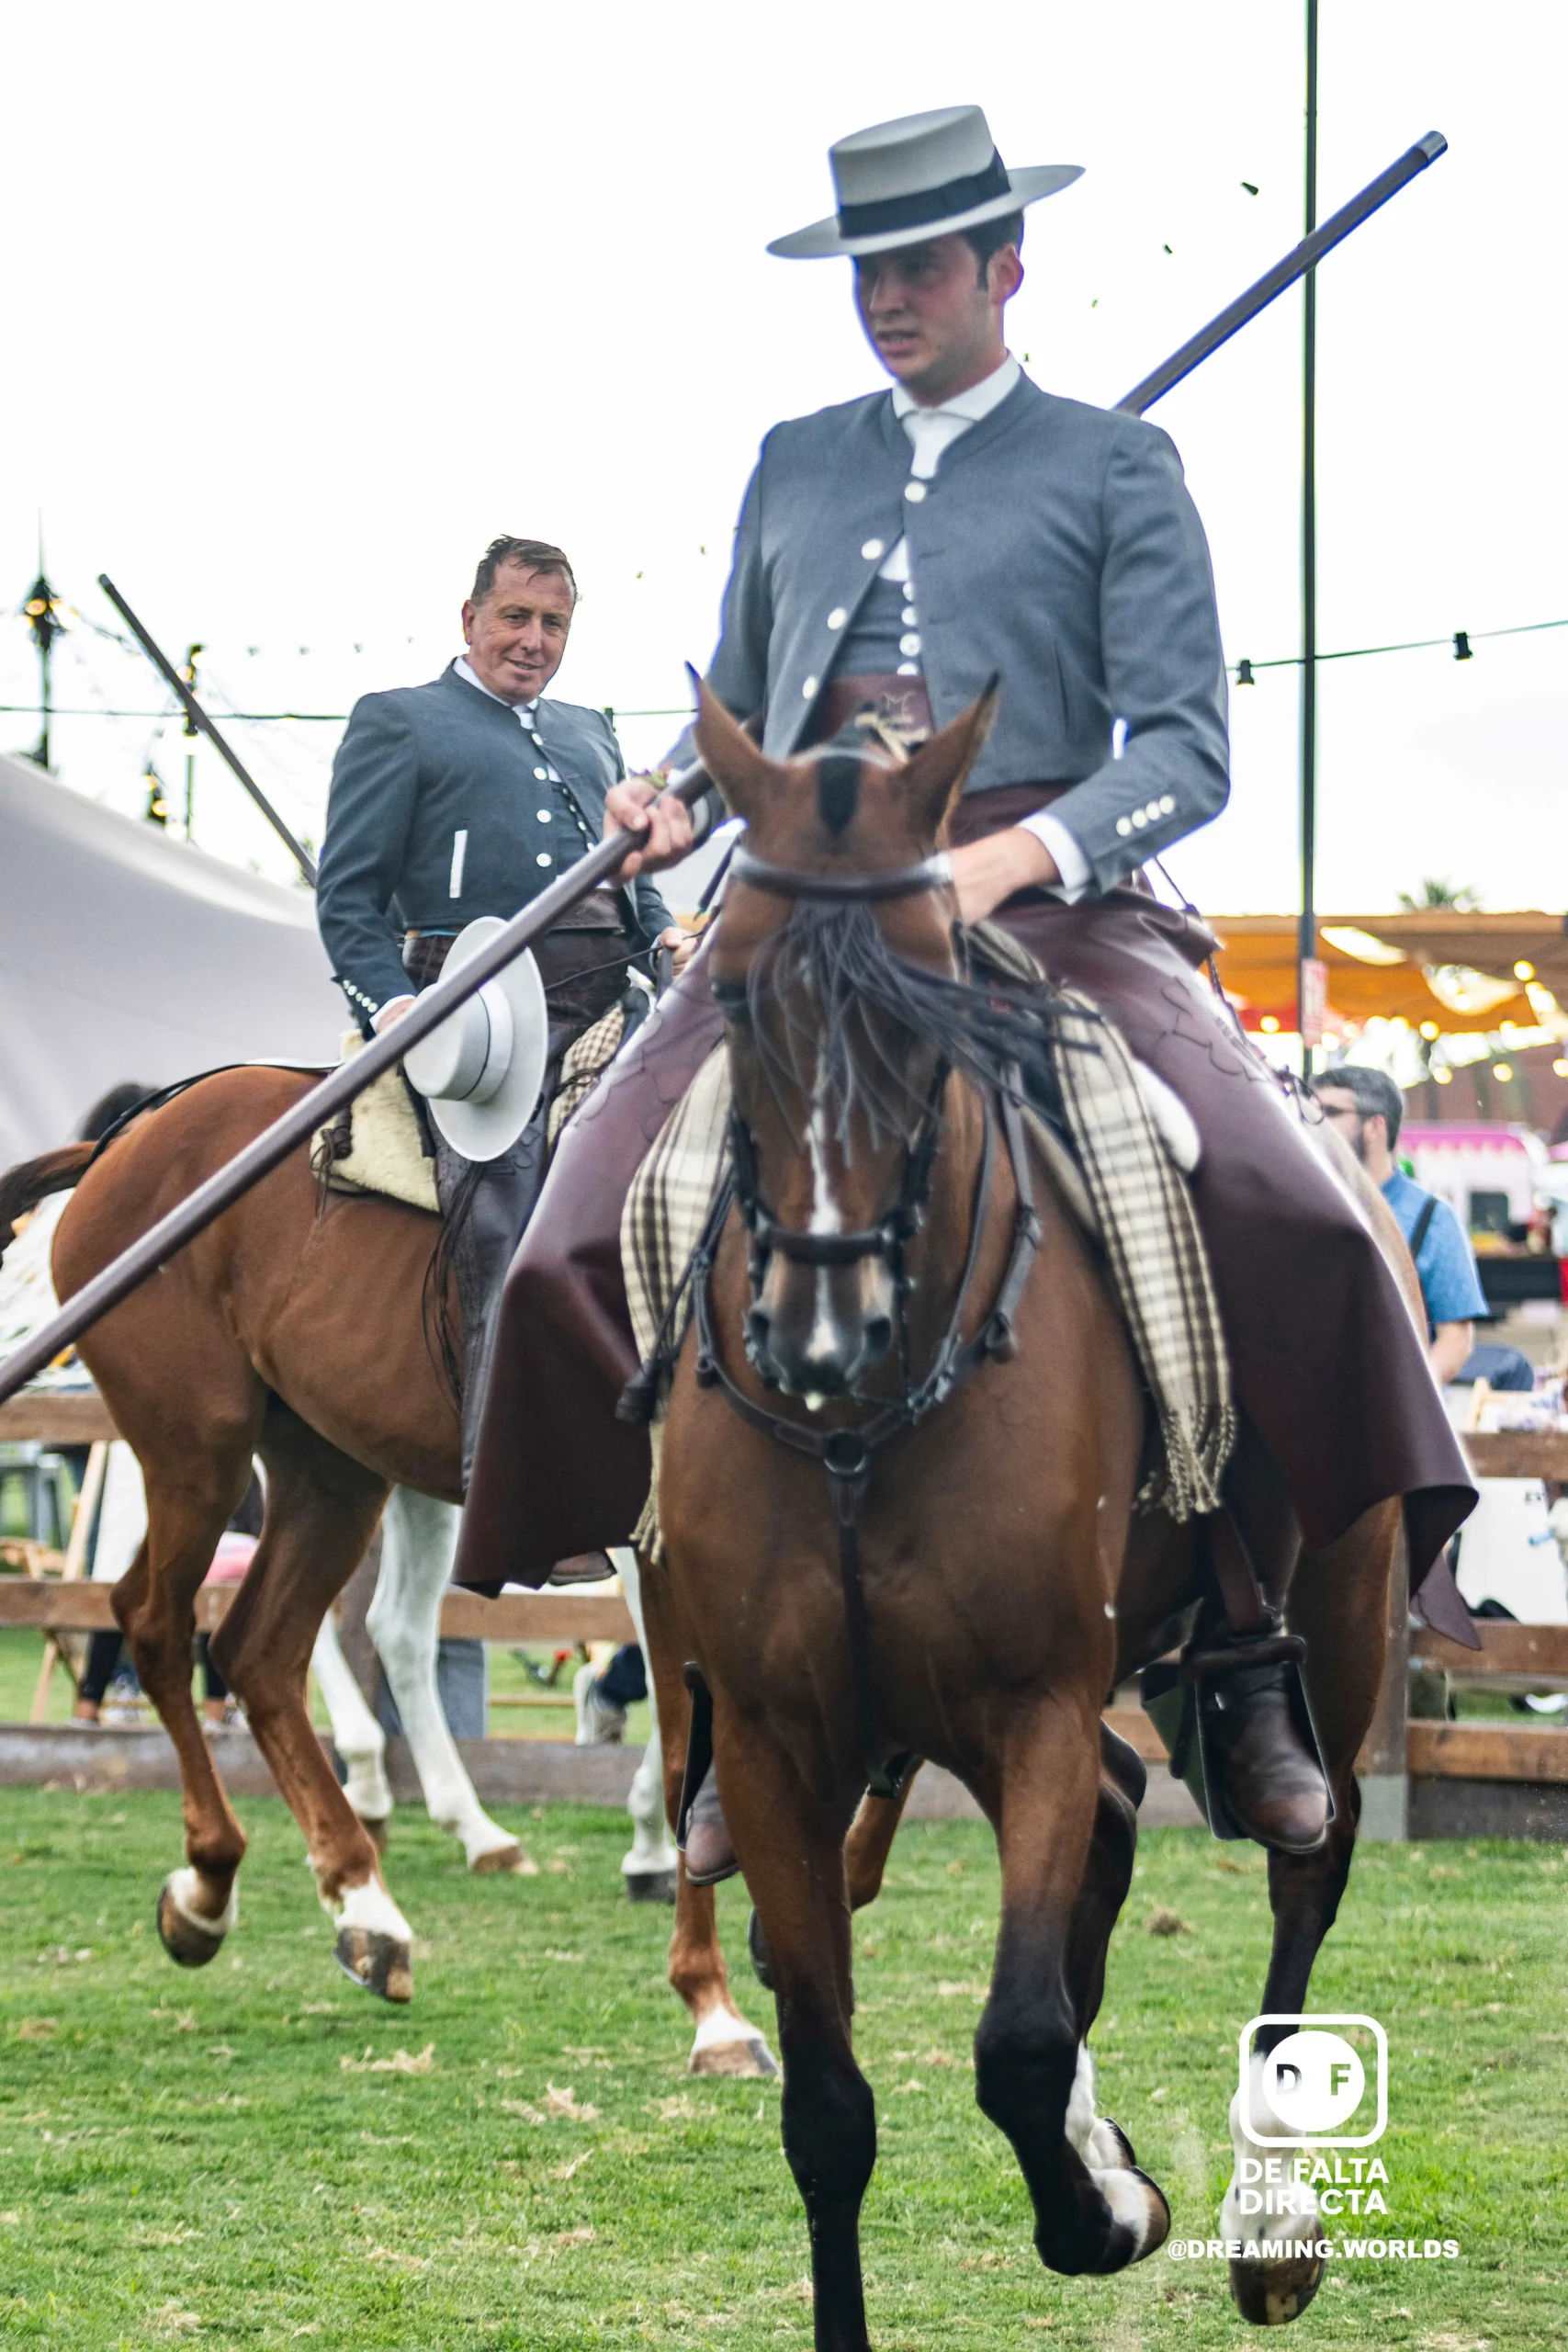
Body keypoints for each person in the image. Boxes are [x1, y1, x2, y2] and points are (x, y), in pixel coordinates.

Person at [456, 106, 1476, 1865]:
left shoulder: (1113, 465)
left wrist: (1011, 858)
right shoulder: (795, 460)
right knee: (572, 1221)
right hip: (801, 894)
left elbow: (1186, 749)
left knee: (1280, 1214)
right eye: (869, 271)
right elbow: (752, 718)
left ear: (1007, 266)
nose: (890, 300)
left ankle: (1239, 1639)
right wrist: (670, 796)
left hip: (1047, 901)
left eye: (922, 267)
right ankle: (717, 1688)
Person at [316, 537, 684, 1475]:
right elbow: (347, 900)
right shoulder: (397, 720)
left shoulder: (590, 729)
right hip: (479, 1019)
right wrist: (396, 1011)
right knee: (506, 1215)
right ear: (469, 619)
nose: (533, 640)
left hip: (618, 999)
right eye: (515, 617)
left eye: (552, 623)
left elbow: (630, 874)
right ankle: (508, 1476)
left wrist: (671, 934)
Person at [1313, 1066, 1488, 1384]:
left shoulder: (1431, 1217)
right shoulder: (1308, 1208)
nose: (1315, 1125)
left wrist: (1409, 1403)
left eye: (1331, 1112)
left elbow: (1456, 1340)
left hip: (1394, 1418)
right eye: (1312, 1112)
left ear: (1376, 1126)